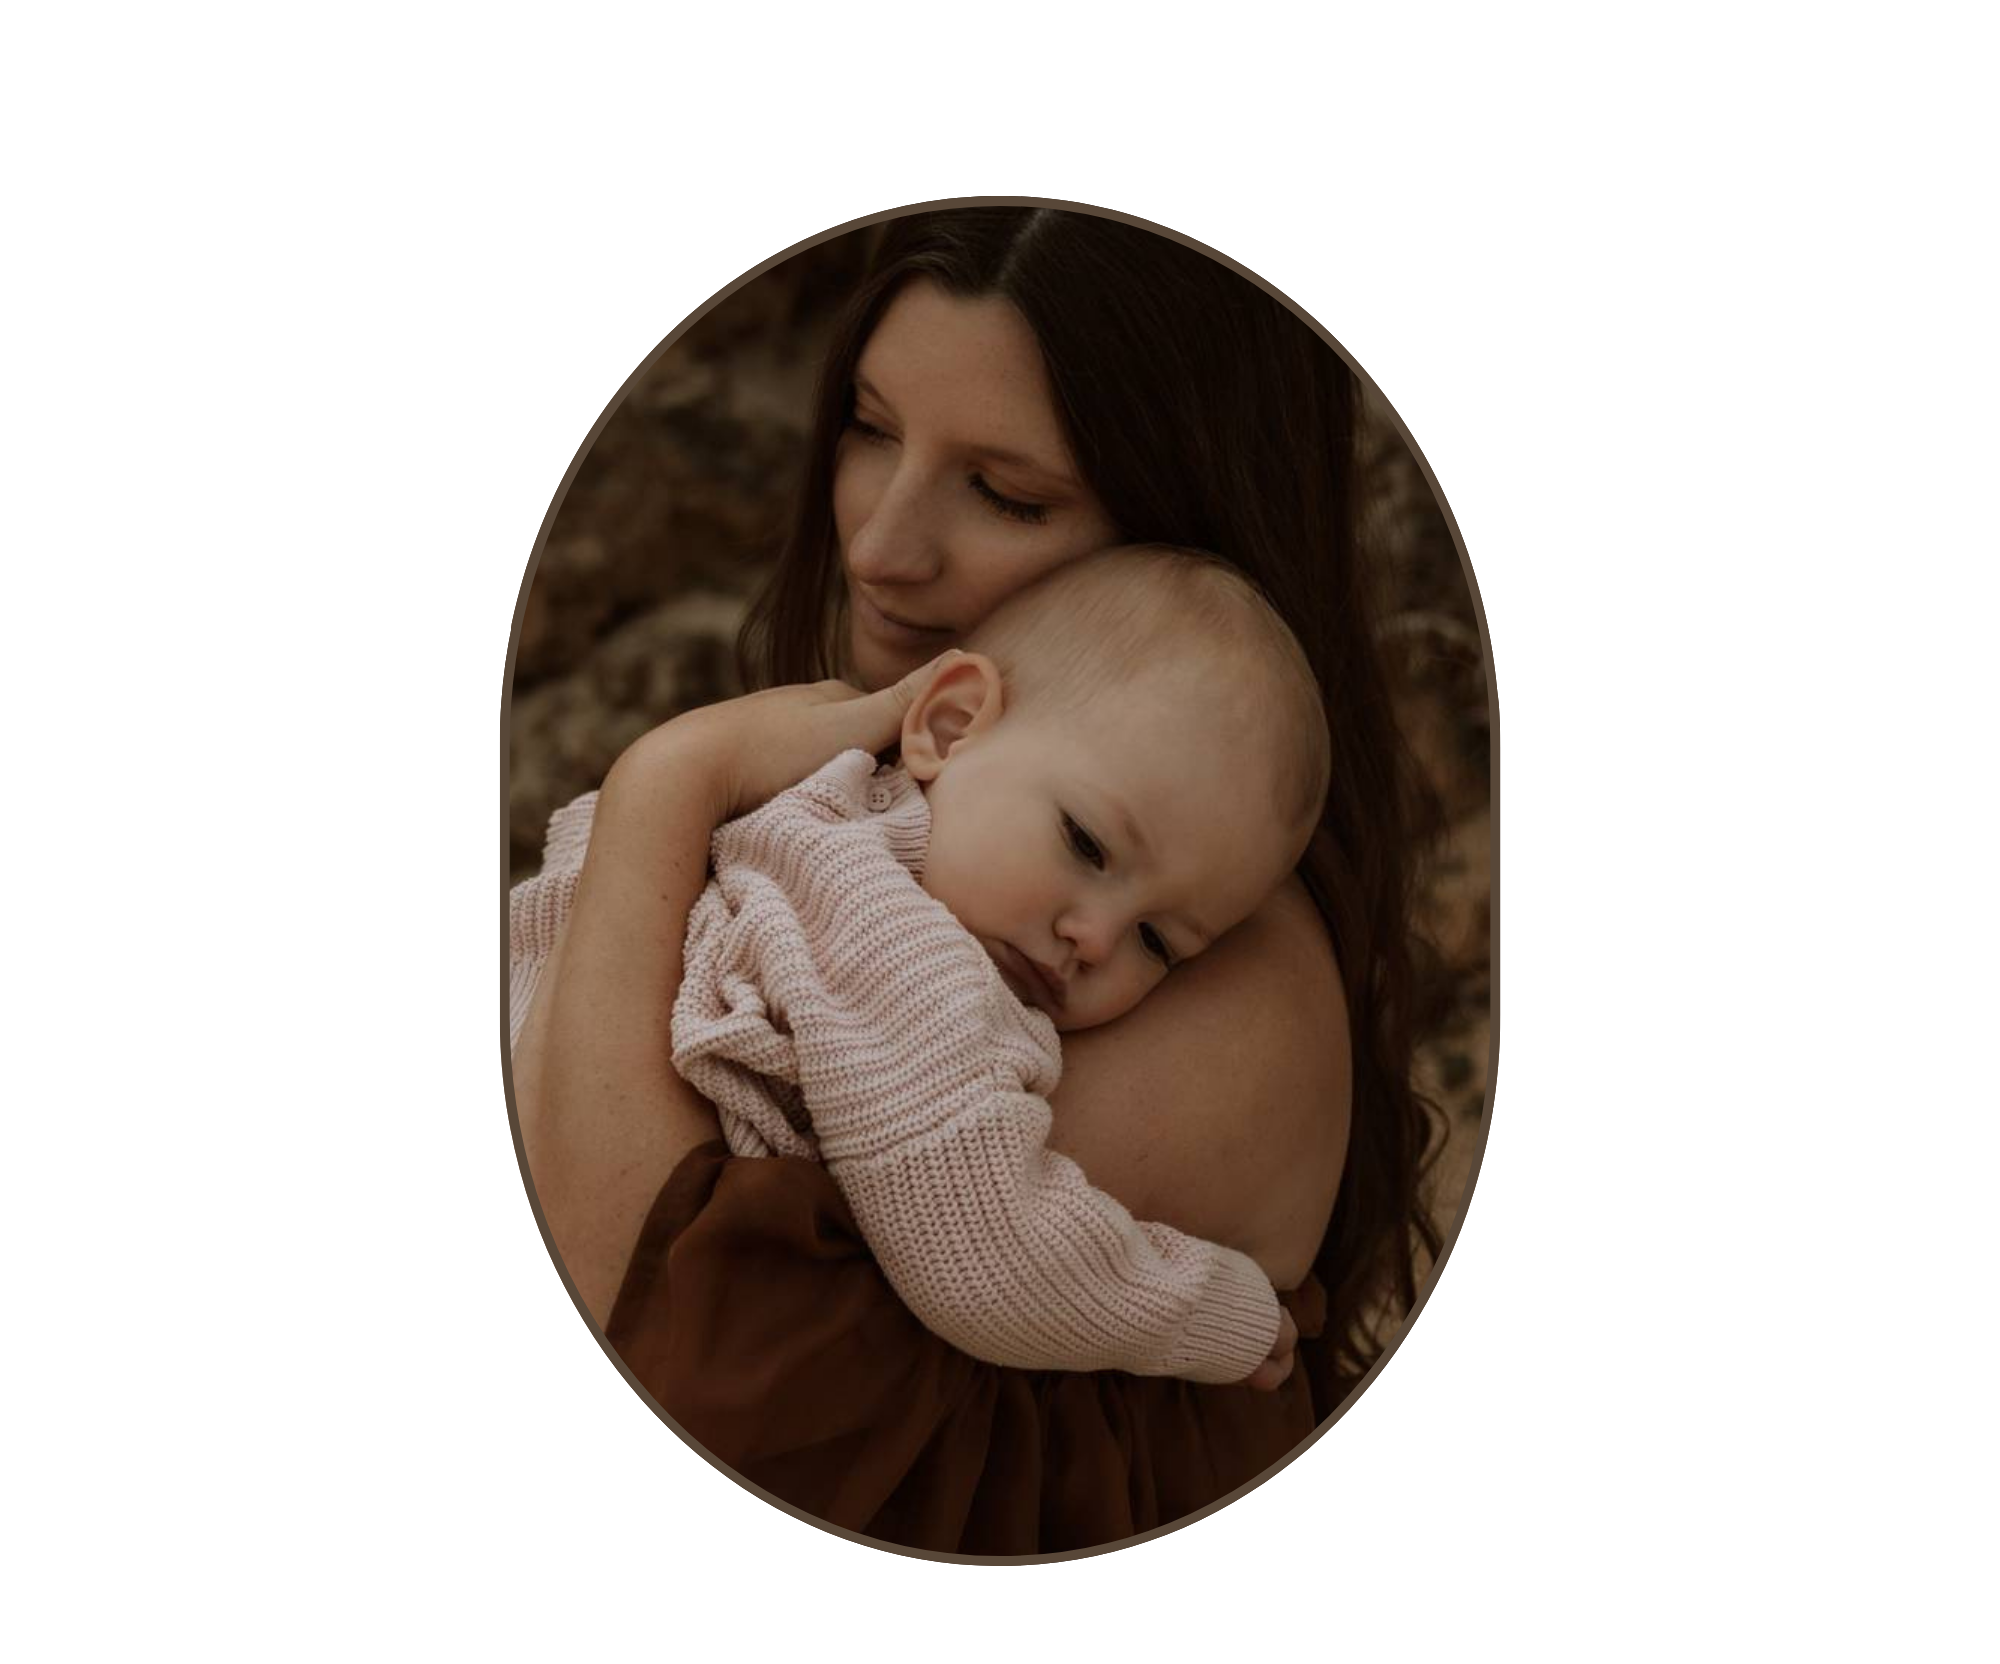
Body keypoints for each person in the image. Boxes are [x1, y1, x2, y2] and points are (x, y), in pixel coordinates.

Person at [508, 206, 1447, 1552]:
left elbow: (631, 1299)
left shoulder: (1215, 988)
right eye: (873, 426)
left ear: (1180, 510)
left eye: (1008, 495)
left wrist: (671, 782)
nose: (882, 544)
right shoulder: (901, 809)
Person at [512, 546, 1334, 1392]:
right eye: (1086, 845)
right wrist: (1218, 1315)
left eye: (1158, 944)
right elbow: (984, 1261)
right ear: (946, 726)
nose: (1095, 939)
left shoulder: (789, 807)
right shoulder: (902, 947)